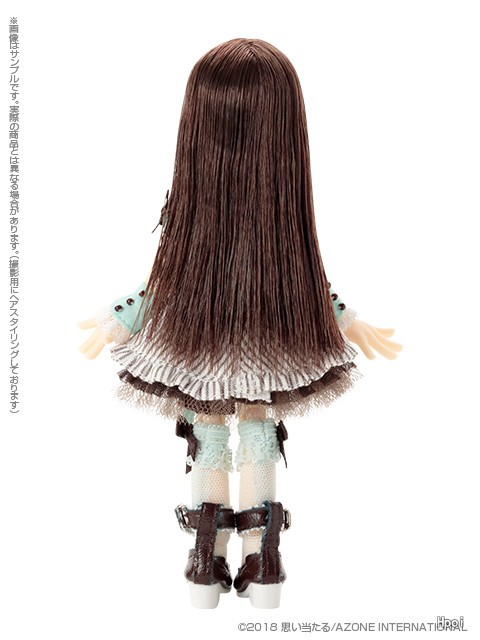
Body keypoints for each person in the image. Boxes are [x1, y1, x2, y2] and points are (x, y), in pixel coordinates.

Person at [79, 38, 401, 609]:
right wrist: (350, 322)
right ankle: (263, 559)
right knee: (257, 433)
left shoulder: (198, 229)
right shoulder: (282, 233)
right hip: (264, 345)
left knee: (208, 435)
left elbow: (161, 289)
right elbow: (307, 286)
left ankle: (207, 561)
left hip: (200, 344)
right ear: (287, 136)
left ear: (196, 129)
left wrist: (117, 319)